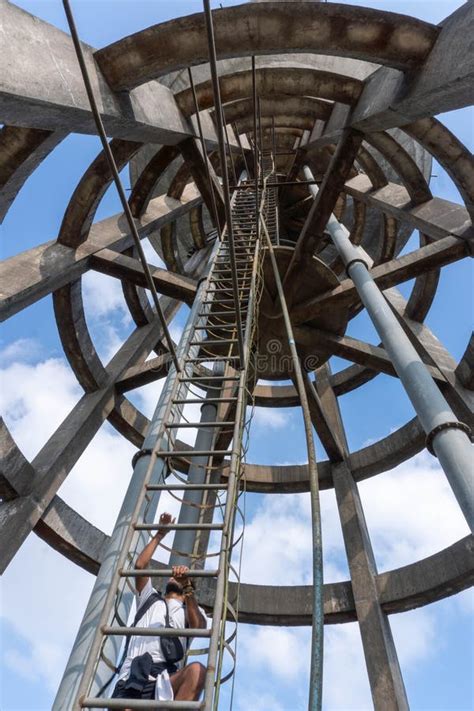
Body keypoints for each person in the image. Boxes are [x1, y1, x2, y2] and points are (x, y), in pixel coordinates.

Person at [110, 512, 207, 707]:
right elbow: (140, 565)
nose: (174, 575)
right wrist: (160, 534)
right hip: (132, 674)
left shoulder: (189, 609)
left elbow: (200, 626)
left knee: (197, 671)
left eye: (180, 577)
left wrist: (187, 586)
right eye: (172, 575)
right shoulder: (150, 598)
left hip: (164, 679)